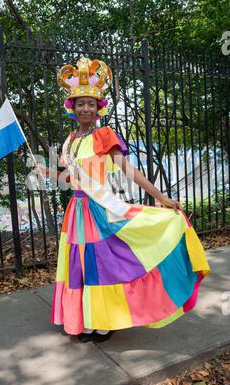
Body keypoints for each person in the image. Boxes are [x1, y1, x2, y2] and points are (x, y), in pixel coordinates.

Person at [35, 57, 211, 344]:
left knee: (103, 264)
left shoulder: (105, 136)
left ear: (98, 108)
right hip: (77, 211)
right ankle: (86, 319)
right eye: (81, 103)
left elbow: (129, 171)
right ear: (72, 107)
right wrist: (48, 172)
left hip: (100, 210)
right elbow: (71, 179)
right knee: (82, 264)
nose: (86, 108)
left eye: (91, 103)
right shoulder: (70, 140)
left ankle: (105, 321)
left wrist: (162, 198)